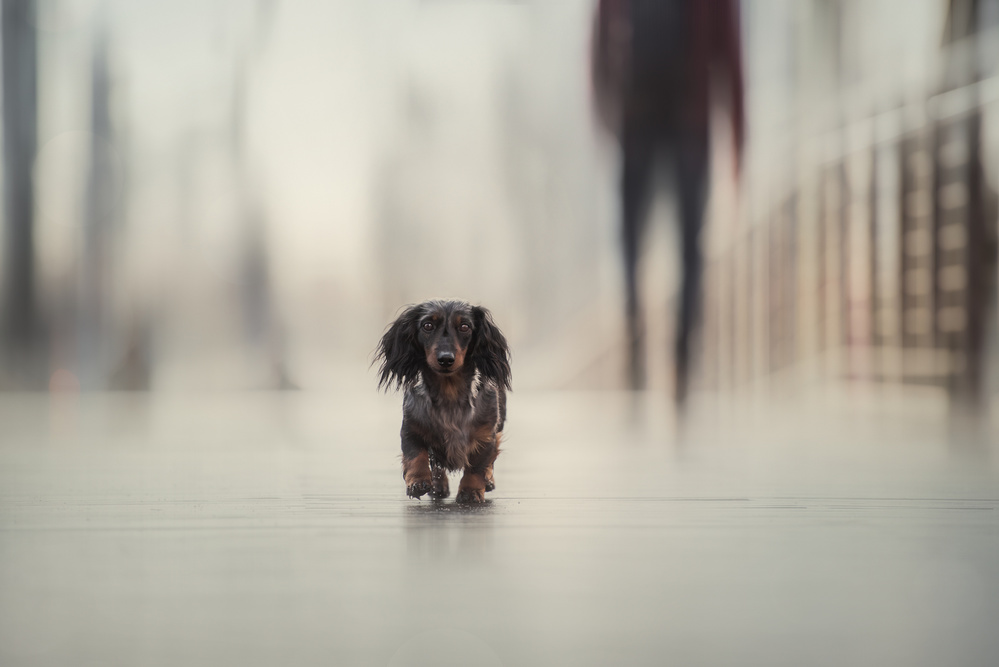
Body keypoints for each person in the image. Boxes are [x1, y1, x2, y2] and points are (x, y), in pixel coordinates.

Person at [591, 0, 744, 403]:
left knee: (669, 243)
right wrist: (604, 109)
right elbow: (731, 51)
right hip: (656, 116)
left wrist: (605, 112)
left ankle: (671, 353)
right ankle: (651, 348)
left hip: (668, 118)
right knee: (652, 243)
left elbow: (728, 48)